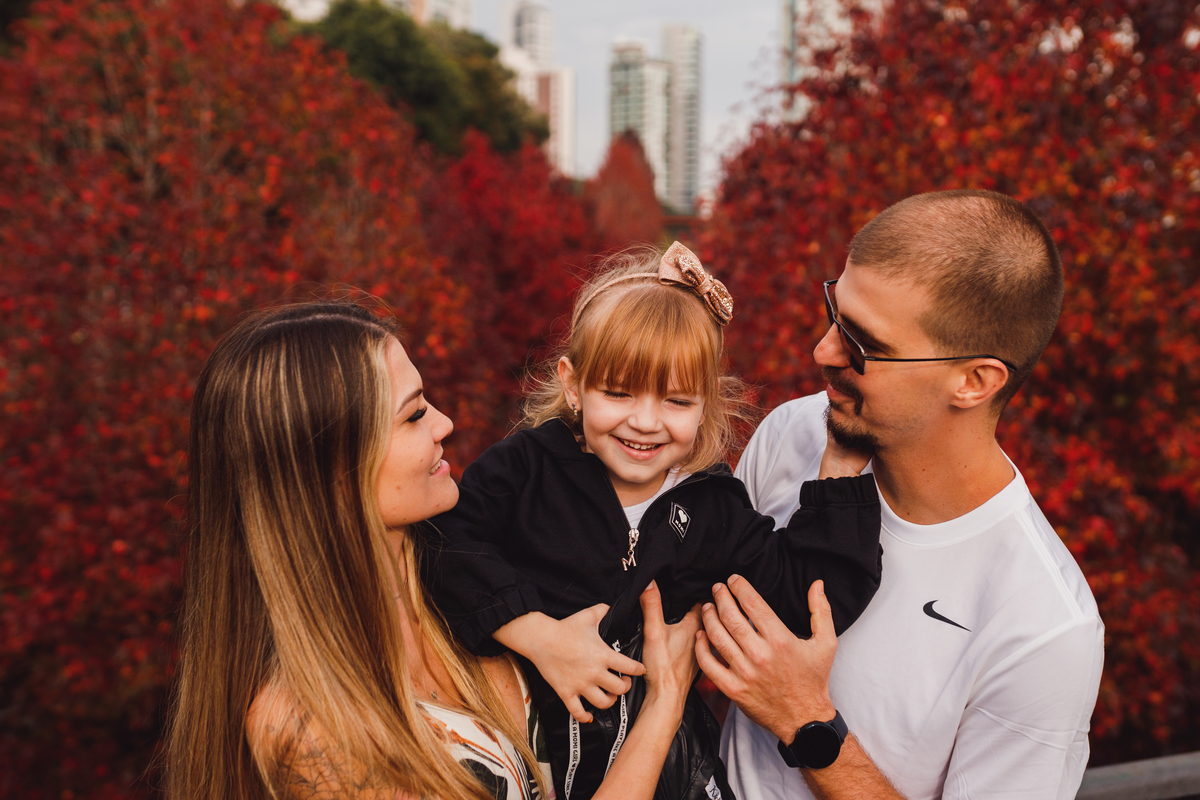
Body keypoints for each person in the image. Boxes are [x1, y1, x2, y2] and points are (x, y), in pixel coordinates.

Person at [164, 300, 705, 800]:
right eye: (414, 414)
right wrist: (663, 705)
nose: (445, 424)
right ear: (331, 471)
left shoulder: (473, 586)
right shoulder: (309, 730)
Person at [426, 244, 884, 800]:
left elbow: (803, 596)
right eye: (618, 393)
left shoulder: (713, 508)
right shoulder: (526, 469)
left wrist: (842, 467)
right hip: (529, 757)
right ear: (574, 384)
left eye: (676, 401)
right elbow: (444, 545)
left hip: (665, 770)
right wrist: (540, 637)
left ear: (706, 402)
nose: (644, 422)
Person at [698, 190, 1104, 800]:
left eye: (864, 345)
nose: (823, 352)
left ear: (974, 381)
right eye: (835, 312)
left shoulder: (1044, 629)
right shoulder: (794, 434)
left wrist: (807, 722)